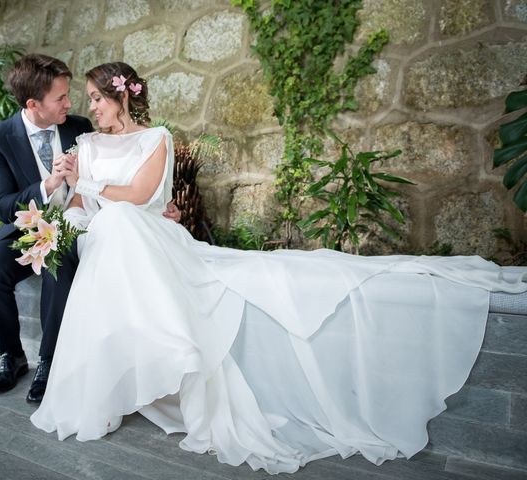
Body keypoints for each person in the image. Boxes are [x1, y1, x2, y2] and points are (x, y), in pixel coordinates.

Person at [30, 61, 527, 474]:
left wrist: (91, 193)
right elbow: (81, 209)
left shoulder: (156, 137)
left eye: (97, 97)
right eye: (89, 99)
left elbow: (140, 196)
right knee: (112, 228)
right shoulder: (87, 148)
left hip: (153, 240)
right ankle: (122, 377)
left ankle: (173, 348)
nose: (90, 108)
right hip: (116, 243)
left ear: (123, 97)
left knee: (127, 226)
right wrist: (62, 196)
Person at [0, 54, 180, 403]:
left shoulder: (81, 128)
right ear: (33, 104)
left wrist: (160, 206)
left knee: (61, 263)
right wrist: (49, 184)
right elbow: (2, 206)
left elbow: (123, 164)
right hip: (29, 227)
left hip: (78, 222)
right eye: (61, 98)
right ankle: (11, 356)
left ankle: (49, 363)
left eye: (72, 95)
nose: (71, 104)